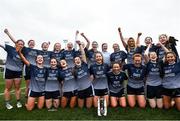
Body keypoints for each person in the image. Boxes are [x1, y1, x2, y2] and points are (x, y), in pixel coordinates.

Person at [17, 47, 47, 111]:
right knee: (29, 109)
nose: (40, 59)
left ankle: (35, 102)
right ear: (36, 60)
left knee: (40, 108)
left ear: (43, 60)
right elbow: (24, 59)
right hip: (33, 90)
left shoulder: (46, 69)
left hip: (42, 91)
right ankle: (28, 103)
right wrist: (19, 52)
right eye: (38, 58)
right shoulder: (32, 67)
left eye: (41, 58)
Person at [0, 39, 24, 109]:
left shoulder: (24, 52)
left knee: (17, 88)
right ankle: (7, 103)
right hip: (9, 70)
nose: (20, 45)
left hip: (18, 71)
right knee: (8, 88)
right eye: (19, 43)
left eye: (22, 44)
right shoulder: (10, 48)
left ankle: (18, 102)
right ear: (16, 44)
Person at [73, 41, 93, 108]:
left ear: (81, 60)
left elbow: (83, 53)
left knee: (88, 107)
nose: (77, 60)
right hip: (80, 89)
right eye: (75, 60)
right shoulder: (73, 70)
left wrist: (80, 45)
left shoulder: (84, 64)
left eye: (78, 59)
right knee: (80, 107)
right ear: (74, 62)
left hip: (88, 88)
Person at [144, 44, 164, 108]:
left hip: (159, 85)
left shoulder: (160, 63)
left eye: (154, 54)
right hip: (150, 85)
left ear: (157, 56)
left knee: (160, 107)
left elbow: (167, 53)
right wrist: (148, 46)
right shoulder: (148, 63)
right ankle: (150, 99)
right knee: (153, 106)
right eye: (151, 55)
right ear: (149, 57)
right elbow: (145, 54)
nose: (153, 56)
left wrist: (162, 45)